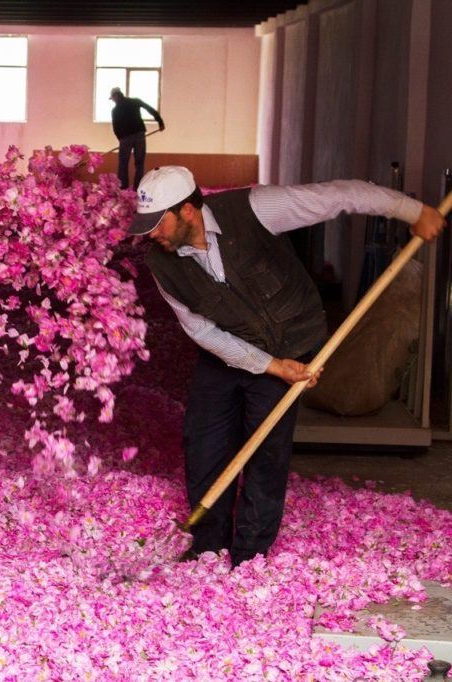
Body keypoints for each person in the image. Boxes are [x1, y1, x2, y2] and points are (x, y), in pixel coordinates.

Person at [128, 166, 445, 567]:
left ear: (188, 210)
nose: (149, 234)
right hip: (226, 350)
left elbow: (340, 193)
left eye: (156, 223)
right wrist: (268, 366)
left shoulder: (255, 209)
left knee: (266, 451)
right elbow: (203, 332)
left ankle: (249, 556)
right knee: (203, 443)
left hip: (291, 340)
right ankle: (208, 547)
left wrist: (412, 211)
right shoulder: (163, 265)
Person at [110, 87, 164, 190]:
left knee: (123, 163)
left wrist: (121, 139)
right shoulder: (135, 101)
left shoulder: (115, 110)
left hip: (126, 137)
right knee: (139, 163)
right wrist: (160, 122)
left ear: (116, 96)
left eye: (112, 98)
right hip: (139, 135)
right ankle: (137, 186)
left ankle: (123, 186)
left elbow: (115, 128)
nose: (113, 101)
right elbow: (151, 110)